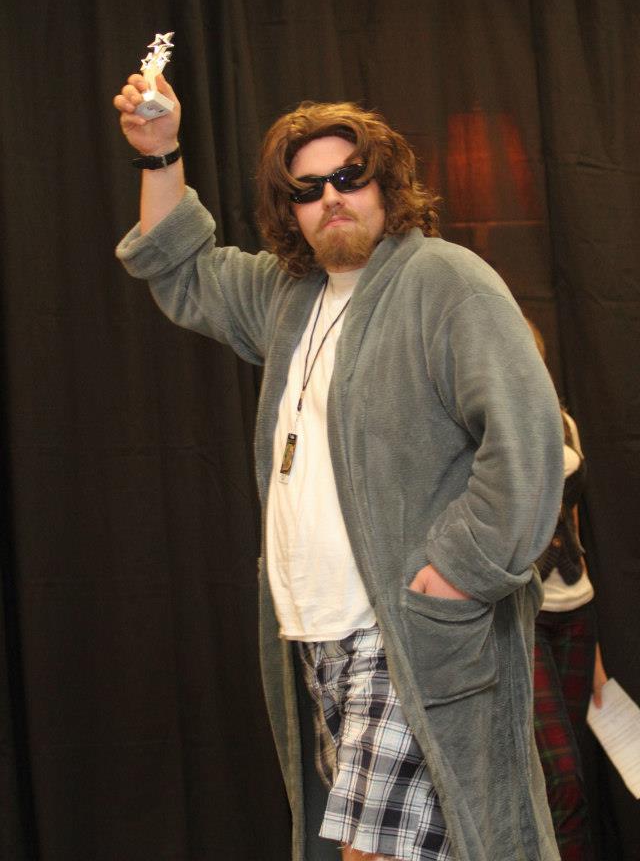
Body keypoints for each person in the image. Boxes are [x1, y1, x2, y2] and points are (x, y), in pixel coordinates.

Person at [113, 71, 565, 861]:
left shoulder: (444, 281)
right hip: (318, 636)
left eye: (350, 177)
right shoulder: (288, 297)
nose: (332, 198)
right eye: (308, 188)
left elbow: (527, 438)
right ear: (289, 208)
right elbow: (182, 269)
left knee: (374, 854)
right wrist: (160, 153)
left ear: (386, 184)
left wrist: (457, 571)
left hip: (405, 632)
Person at [527, 320, 607, 861]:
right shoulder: (484, 425)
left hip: (577, 614)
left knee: (573, 781)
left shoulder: (565, 425)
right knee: (558, 776)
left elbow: (571, 522)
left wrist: (598, 657)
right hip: (524, 617)